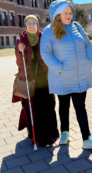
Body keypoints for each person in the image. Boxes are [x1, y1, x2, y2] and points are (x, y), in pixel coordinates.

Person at [40, 0, 92, 149]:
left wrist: (90, 61)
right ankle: (65, 134)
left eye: (70, 13)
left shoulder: (77, 27)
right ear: (57, 14)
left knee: (80, 106)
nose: (69, 16)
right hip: (62, 77)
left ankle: (87, 139)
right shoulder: (49, 31)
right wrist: (60, 68)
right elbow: (45, 53)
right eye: (65, 13)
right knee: (64, 105)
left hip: (81, 74)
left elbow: (87, 44)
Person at [14, 15, 59, 146]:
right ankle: (37, 135)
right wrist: (19, 51)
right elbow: (19, 63)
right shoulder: (20, 39)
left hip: (45, 78)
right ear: (25, 25)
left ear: (38, 24)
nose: (31, 25)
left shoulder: (44, 37)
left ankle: (51, 135)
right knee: (34, 108)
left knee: (49, 107)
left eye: (34, 22)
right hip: (29, 80)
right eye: (28, 23)